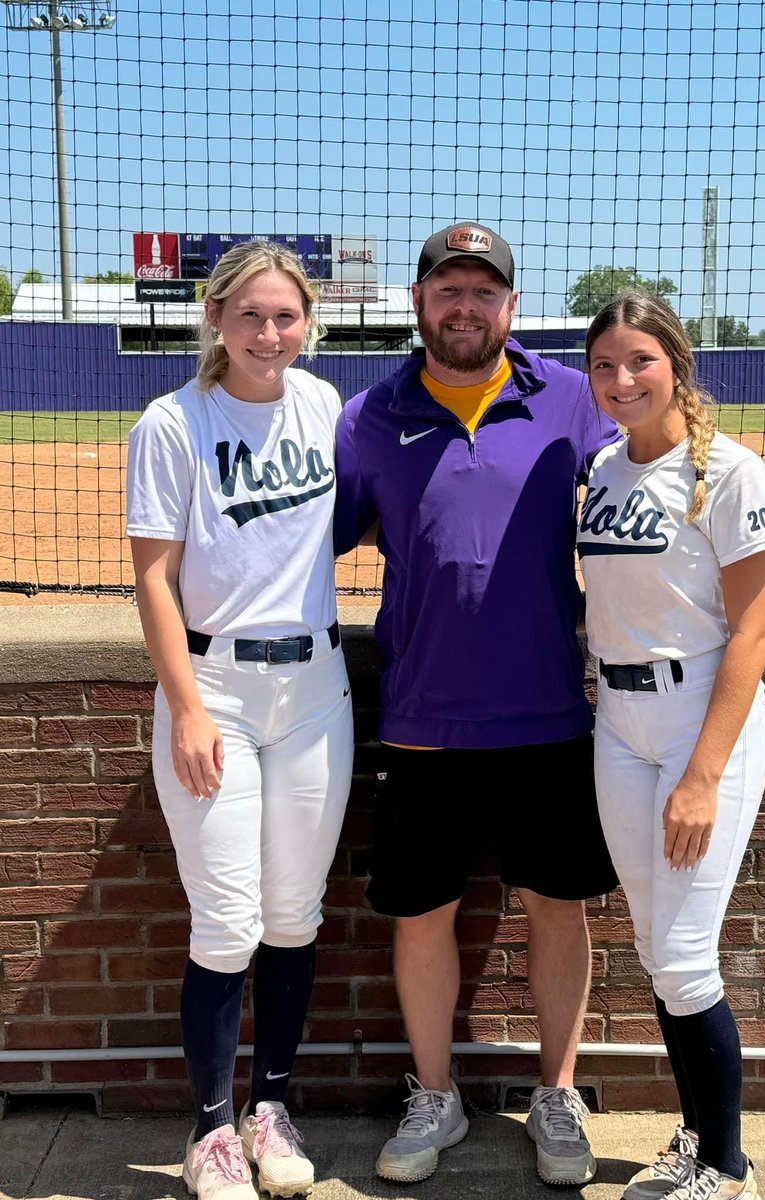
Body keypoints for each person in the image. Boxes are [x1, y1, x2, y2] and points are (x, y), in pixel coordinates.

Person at [334, 221, 620, 1187]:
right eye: (447, 289)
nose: (465, 307)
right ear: (418, 302)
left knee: (556, 906)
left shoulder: (575, 401)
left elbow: (654, 485)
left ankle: (558, 1093)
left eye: (483, 291)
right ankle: (434, 1095)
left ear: (510, 303)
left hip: (548, 712)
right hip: (421, 717)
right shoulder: (369, 415)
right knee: (420, 915)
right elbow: (307, 540)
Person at [126, 240, 353, 1200]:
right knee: (226, 925)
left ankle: (270, 1108)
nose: (269, 333)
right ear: (215, 317)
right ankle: (211, 1131)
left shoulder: (324, 405)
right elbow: (153, 577)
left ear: (310, 324)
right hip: (213, 688)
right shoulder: (172, 422)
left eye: (286, 316)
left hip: (315, 692)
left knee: (293, 917)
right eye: (251, 314)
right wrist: (184, 708)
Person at [578, 293, 765, 1200]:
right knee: (656, 950)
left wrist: (702, 775)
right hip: (617, 726)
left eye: (639, 362)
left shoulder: (730, 471)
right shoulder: (602, 469)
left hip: (702, 721)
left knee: (687, 957)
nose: (621, 380)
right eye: (604, 365)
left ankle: (724, 1163)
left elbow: (751, 633)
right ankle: (698, 1134)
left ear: (676, 366)